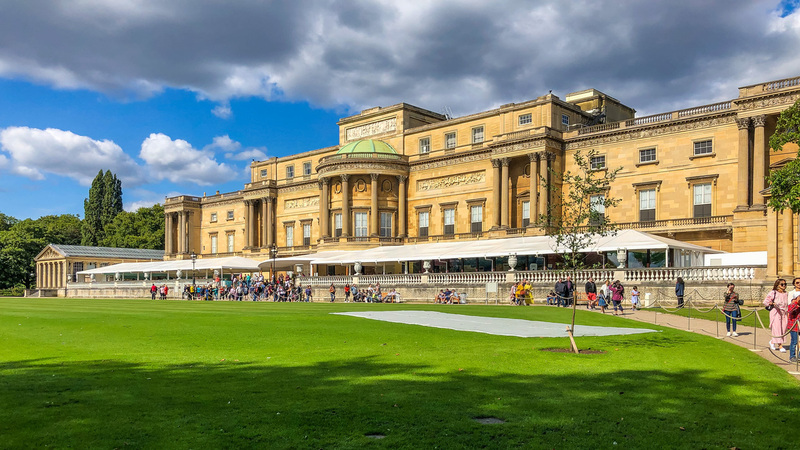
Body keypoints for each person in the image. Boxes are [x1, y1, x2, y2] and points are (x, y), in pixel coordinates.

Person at [764, 278, 789, 352]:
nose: (784, 286)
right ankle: (780, 345)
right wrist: (771, 303)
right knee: (777, 328)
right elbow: (765, 302)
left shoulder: (786, 293)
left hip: (784, 312)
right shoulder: (773, 292)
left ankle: (772, 341)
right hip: (775, 312)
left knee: (783, 328)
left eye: (785, 284)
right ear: (777, 285)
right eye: (782, 284)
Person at [787, 291, 800, 362]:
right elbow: (790, 311)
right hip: (794, 326)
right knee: (794, 341)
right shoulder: (792, 305)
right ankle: (792, 356)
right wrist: (796, 303)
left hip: (799, 326)